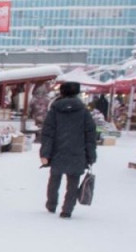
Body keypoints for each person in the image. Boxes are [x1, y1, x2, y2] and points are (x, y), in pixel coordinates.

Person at [40, 81, 97, 219]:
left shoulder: (54, 111)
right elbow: (90, 135)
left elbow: (48, 133)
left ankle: (51, 204)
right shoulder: (84, 112)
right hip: (77, 152)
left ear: (61, 92)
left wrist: (45, 153)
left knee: (54, 179)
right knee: (73, 182)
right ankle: (67, 209)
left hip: (57, 151)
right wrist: (91, 155)